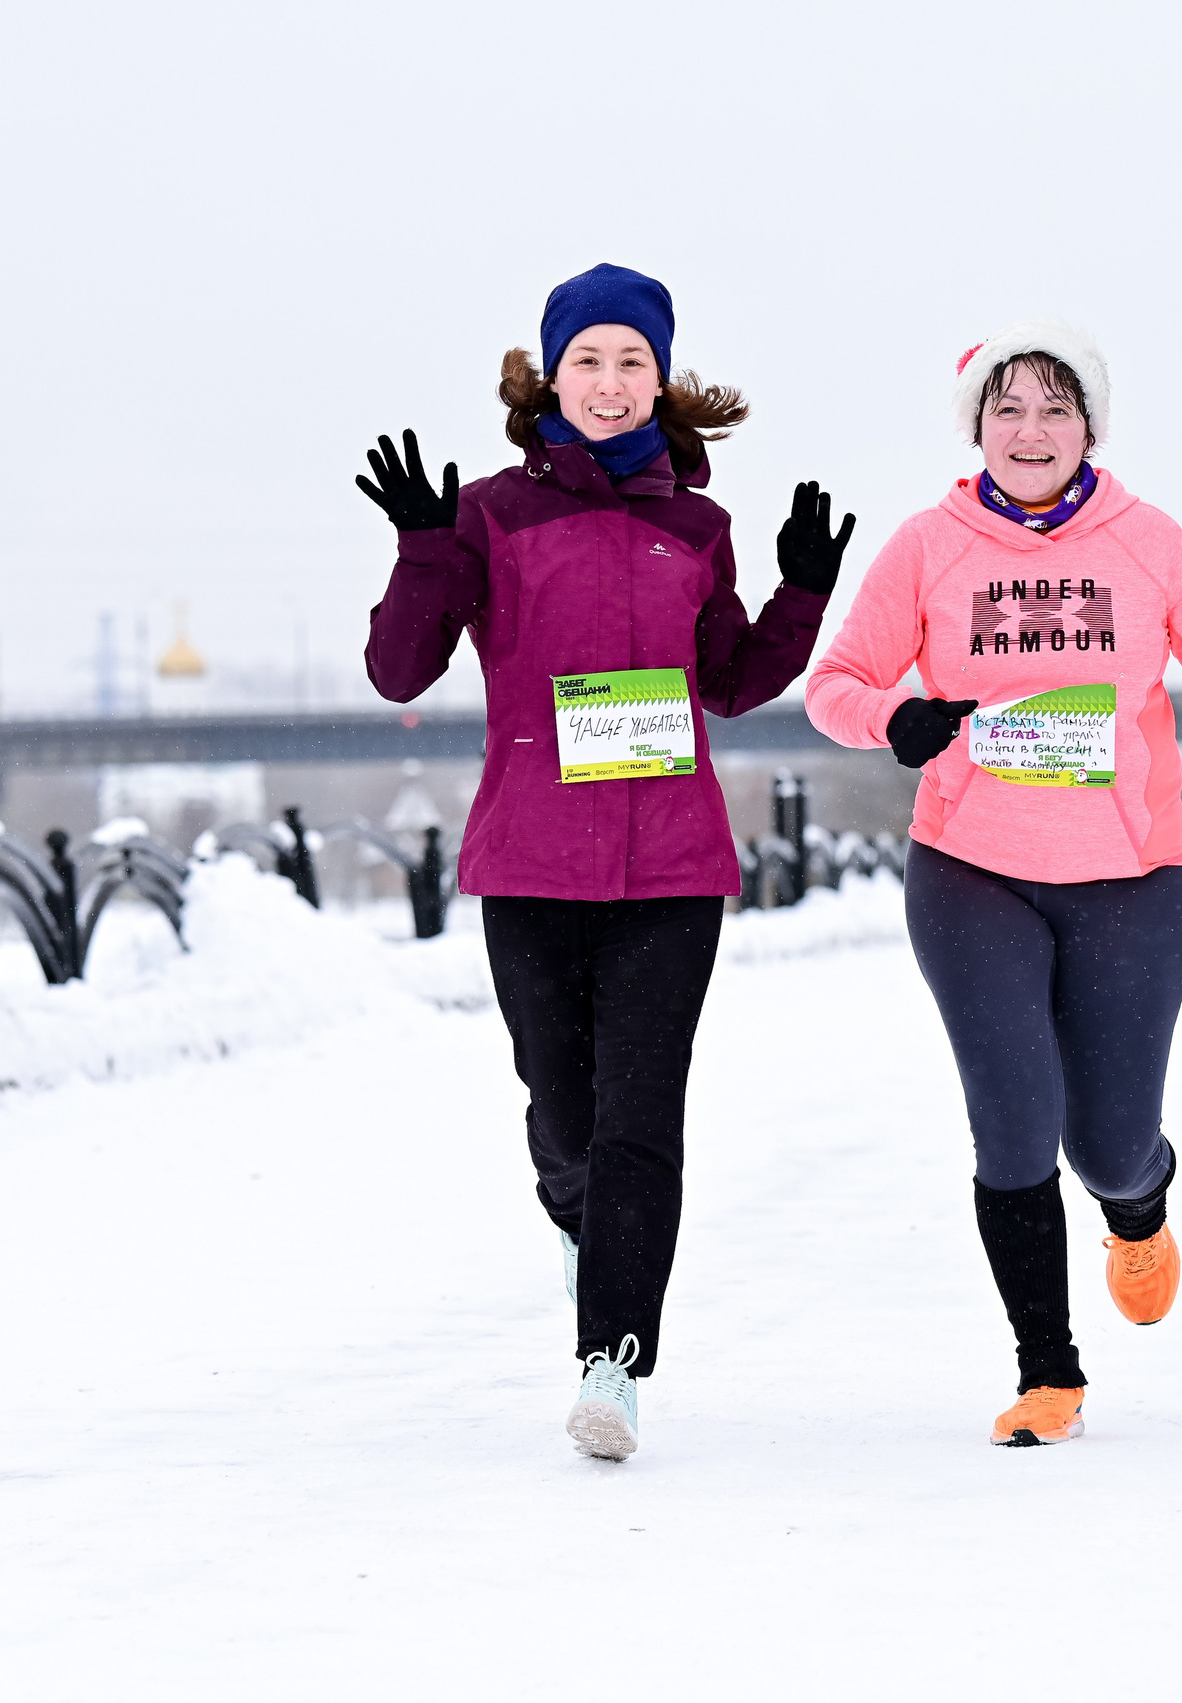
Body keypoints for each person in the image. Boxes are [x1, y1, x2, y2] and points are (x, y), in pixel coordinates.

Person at [805, 319, 1182, 1447]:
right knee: (1013, 1127)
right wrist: (895, 718)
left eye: (1054, 408)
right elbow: (836, 684)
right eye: (1006, 408)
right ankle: (1048, 1369)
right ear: (976, 428)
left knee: (1105, 1144)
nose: (1029, 429)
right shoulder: (927, 545)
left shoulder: (1143, 538)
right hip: (971, 870)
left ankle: (1140, 1204)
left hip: (1129, 876)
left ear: (1089, 427)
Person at [357, 264, 850, 1461]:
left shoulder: (697, 526)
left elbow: (727, 682)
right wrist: (428, 547)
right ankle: (588, 1223)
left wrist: (800, 592)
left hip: (671, 868)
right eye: (589, 360)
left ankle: (612, 1361)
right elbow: (399, 671)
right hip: (530, 860)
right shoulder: (490, 515)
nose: (612, 383)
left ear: (661, 379)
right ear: (550, 375)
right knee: (564, 1116)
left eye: (633, 362)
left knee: (641, 1118)